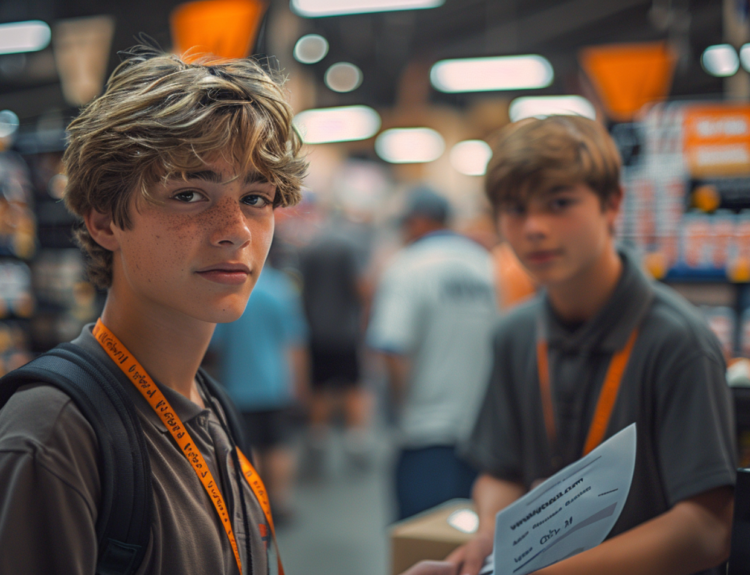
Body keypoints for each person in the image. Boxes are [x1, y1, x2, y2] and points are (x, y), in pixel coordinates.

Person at [0, 47, 306, 575]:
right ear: (104, 221)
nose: (236, 228)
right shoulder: (54, 437)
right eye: (189, 194)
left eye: (257, 198)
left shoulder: (212, 406)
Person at [413, 115, 737, 575]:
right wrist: (490, 534)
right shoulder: (516, 334)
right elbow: (501, 471)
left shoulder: (677, 341)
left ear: (611, 204)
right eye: (514, 208)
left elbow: (707, 527)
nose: (534, 228)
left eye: (559, 203)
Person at [367, 186, 498, 519]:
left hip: (425, 433)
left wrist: (399, 409)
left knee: (421, 545)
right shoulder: (486, 265)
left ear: (420, 222)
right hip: (483, 433)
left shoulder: (408, 267)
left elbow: (394, 349)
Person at [211, 245, 309, 521]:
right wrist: (299, 384)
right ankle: (280, 502)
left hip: (238, 386)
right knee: (278, 445)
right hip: (276, 384)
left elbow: (215, 345)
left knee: (247, 446)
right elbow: (295, 342)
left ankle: (253, 505)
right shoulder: (282, 288)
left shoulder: (230, 290)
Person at [298, 213, 371, 468]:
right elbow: (360, 287)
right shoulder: (349, 248)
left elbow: (300, 288)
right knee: (353, 386)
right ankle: (356, 444)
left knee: (319, 388)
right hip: (345, 331)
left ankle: (317, 442)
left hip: (316, 329)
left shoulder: (310, 249)